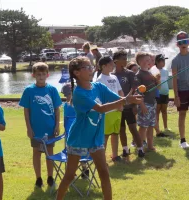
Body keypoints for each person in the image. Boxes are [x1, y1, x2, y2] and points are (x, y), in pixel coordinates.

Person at [56, 56, 143, 200]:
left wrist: (129, 99)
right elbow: (100, 109)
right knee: (70, 175)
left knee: (104, 172)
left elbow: (117, 100)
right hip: (78, 139)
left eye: (91, 66)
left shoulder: (99, 87)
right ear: (77, 73)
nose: (92, 69)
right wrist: (125, 100)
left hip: (96, 138)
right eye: (87, 67)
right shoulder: (79, 94)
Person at [19, 62, 62, 188]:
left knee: (50, 153)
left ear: (47, 75)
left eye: (43, 74)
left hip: (49, 128)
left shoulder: (52, 90)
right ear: (33, 75)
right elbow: (26, 110)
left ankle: (50, 177)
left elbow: (57, 109)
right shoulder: (29, 90)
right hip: (36, 129)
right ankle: (38, 178)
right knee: (36, 153)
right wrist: (29, 128)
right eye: (39, 74)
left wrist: (57, 126)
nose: (41, 77)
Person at [113, 50, 145, 158]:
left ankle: (140, 148)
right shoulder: (112, 75)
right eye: (123, 58)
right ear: (116, 61)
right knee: (121, 129)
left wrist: (135, 105)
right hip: (118, 107)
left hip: (129, 107)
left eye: (126, 58)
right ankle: (125, 149)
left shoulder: (129, 73)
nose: (126, 60)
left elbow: (135, 89)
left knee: (132, 128)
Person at [96, 56, 124, 162]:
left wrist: (121, 103)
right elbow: (102, 97)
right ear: (104, 66)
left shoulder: (114, 77)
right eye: (111, 64)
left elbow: (120, 91)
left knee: (115, 133)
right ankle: (101, 158)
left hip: (117, 110)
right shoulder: (99, 80)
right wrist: (116, 104)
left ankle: (115, 155)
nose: (113, 66)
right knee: (105, 135)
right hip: (108, 112)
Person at [61, 83, 89, 179]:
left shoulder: (77, 105)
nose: (67, 97)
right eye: (66, 95)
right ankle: (75, 171)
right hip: (72, 136)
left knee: (80, 152)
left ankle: (84, 169)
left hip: (77, 136)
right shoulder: (73, 105)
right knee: (75, 153)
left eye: (68, 95)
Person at [135, 52, 160, 151]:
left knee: (151, 125)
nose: (149, 62)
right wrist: (142, 105)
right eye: (146, 60)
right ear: (140, 62)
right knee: (143, 127)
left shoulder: (150, 73)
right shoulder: (139, 75)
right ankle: (140, 147)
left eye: (149, 60)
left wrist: (158, 80)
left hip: (153, 103)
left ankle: (150, 146)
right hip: (145, 104)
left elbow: (158, 87)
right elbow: (137, 92)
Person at [171, 31, 189, 148]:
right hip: (182, 90)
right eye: (181, 42)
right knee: (182, 114)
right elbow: (174, 80)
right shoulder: (175, 60)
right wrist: (176, 96)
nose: (184, 44)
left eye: (186, 41)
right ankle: (182, 140)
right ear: (177, 45)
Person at [154, 54, 170, 137]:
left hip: (165, 93)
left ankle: (166, 127)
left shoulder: (165, 70)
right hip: (158, 94)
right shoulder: (154, 70)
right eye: (162, 60)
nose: (164, 62)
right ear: (157, 62)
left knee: (164, 111)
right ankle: (158, 128)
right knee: (157, 111)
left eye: (164, 60)